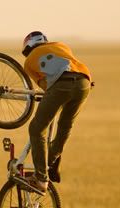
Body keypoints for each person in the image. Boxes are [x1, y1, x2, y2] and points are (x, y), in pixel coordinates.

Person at [22, 31, 92, 192]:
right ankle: (52, 161)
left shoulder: (29, 61)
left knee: (37, 129)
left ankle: (40, 178)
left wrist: (49, 97)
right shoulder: (61, 45)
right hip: (84, 82)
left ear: (28, 47)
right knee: (65, 125)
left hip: (61, 85)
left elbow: (46, 85)